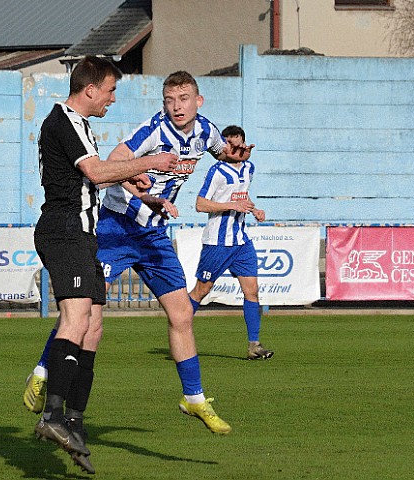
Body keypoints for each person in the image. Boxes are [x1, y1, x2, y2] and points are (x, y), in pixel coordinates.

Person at [25, 71, 254, 437]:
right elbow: (114, 161)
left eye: (183, 99)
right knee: (84, 314)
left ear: (199, 101)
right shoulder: (154, 131)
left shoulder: (207, 131)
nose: (176, 107)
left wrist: (233, 154)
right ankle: (42, 371)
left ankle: (193, 397)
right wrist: (141, 183)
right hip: (116, 226)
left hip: (154, 234)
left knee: (182, 313)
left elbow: (220, 151)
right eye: (169, 100)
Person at [32, 56, 178, 474]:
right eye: (111, 90)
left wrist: (133, 185)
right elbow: (94, 173)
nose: (113, 99)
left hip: (83, 234)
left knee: (93, 327)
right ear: (90, 89)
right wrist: (147, 162)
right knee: (75, 319)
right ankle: (52, 415)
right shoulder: (63, 121)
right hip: (64, 231)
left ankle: (74, 421)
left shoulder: (78, 125)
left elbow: (93, 176)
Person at [188, 125, 274, 361]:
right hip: (217, 242)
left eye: (237, 145)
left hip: (241, 241)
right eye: (228, 144)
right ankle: (179, 331)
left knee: (252, 291)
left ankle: (254, 345)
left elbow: (242, 195)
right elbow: (200, 204)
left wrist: (254, 209)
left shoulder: (249, 168)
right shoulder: (217, 171)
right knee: (201, 291)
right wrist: (231, 206)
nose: (233, 149)